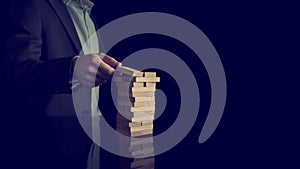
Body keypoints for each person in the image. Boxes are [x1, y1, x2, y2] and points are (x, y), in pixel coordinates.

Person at [5, 0, 120, 168]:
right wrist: (71, 69)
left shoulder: (89, 16)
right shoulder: (32, 4)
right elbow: (15, 69)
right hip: (51, 147)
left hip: (92, 142)